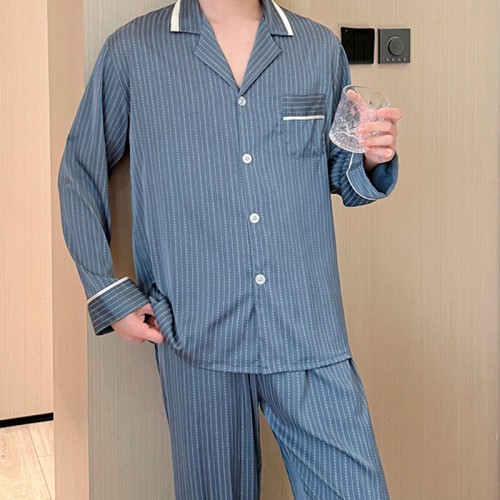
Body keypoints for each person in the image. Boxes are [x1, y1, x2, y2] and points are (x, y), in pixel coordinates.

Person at [58, 0, 402, 497]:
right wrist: (109, 294)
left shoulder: (318, 49)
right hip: (195, 330)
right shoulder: (133, 50)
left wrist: (371, 157)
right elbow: (79, 172)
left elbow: (341, 175)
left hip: (306, 325)